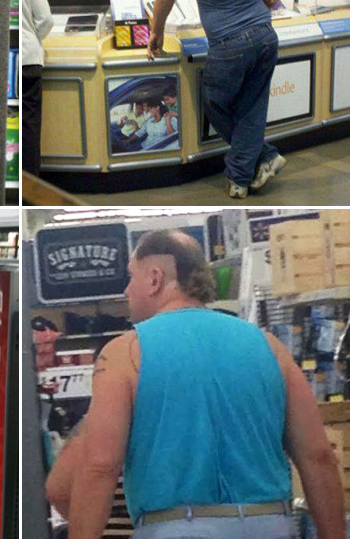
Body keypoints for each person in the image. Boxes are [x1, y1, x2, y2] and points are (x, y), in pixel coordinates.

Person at [46, 229, 345, 539]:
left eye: (131, 277)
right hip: (270, 524)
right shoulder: (269, 347)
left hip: (173, 529)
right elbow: (318, 456)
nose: (126, 291)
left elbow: (99, 467)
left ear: (154, 278)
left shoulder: (125, 353)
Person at [147, 0, 309, 198]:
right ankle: (253, 166)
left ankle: (250, 167)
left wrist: (155, 32)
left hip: (228, 42)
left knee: (216, 103)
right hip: (264, 35)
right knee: (251, 106)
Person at [22, 0, 53, 176]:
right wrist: (33, 38)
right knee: (29, 125)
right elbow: (46, 19)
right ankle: (31, 186)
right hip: (27, 60)